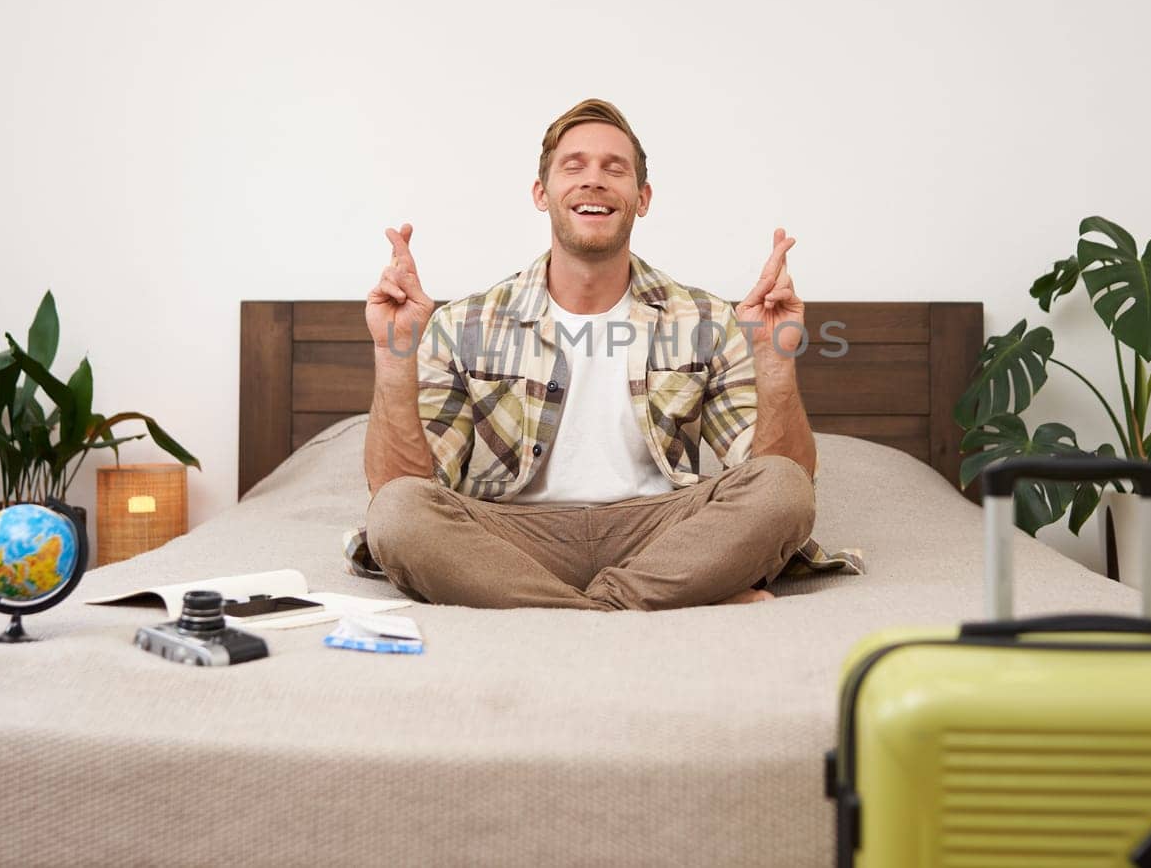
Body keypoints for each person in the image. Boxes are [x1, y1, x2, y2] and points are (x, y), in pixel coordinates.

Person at [352, 98, 860, 610]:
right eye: (573, 166)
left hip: (663, 530)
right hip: (513, 539)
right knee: (396, 512)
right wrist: (393, 355)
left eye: (614, 169)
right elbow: (405, 486)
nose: (593, 180)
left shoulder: (706, 319)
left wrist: (774, 361)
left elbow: (779, 477)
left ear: (642, 198)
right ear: (541, 193)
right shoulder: (462, 324)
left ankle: (568, 605)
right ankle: (637, 602)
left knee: (783, 488)